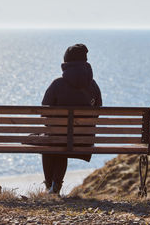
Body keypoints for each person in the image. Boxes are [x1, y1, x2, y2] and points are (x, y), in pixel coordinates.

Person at [41, 43, 102, 194]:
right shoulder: (93, 85)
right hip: (83, 140)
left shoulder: (57, 84)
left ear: (66, 63)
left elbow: (44, 110)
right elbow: (98, 111)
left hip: (57, 138)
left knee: (52, 143)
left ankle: (50, 186)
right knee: (62, 144)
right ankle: (55, 186)